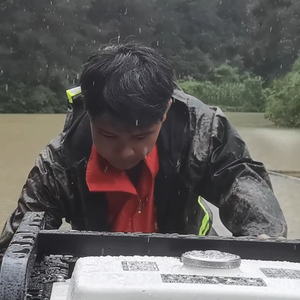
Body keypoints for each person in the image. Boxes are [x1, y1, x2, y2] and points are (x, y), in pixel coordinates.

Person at [0, 42, 287, 261]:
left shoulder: (202, 132)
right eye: (108, 135)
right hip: (99, 267)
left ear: (164, 114)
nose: (125, 152)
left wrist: (261, 238)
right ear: (89, 115)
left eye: (140, 136)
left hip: (189, 261)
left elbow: (239, 178)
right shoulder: (59, 162)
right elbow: (18, 246)